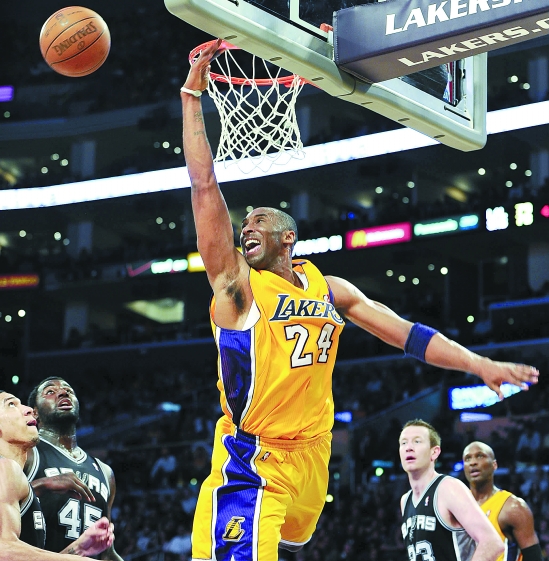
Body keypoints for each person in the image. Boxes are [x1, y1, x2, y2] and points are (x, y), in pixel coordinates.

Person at [180, 39, 540, 561]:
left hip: (315, 452)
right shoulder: (237, 286)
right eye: (245, 223)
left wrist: (478, 364)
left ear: (288, 237)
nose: (247, 227)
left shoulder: (331, 289)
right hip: (254, 455)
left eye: (260, 220)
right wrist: (192, 99)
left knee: (293, 543)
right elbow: (203, 187)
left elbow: (410, 336)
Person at [0, 389, 114, 560]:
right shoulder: (4, 468)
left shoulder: (14, 477)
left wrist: (77, 549)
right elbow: (4, 551)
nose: (28, 409)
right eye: (11, 404)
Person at [24, 377, 124, 561]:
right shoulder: (26, 452)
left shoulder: (105, 472)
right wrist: (42, 484)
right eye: (50, 392)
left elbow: (106, 552)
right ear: (35, 412)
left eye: (68, 391)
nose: (63, 393)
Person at [400, 419, 504, 561]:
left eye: (417, 441)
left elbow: (492, 543)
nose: (408, 448)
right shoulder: (405, 500)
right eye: (404, 443)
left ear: (434, 452)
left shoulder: (448, 488)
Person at [462, 441, 542, 561]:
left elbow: (534, 557)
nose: (473, 462)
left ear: (494, 465)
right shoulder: (456, 505)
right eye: (468, 458)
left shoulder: (513, 507)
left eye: (480, 456)